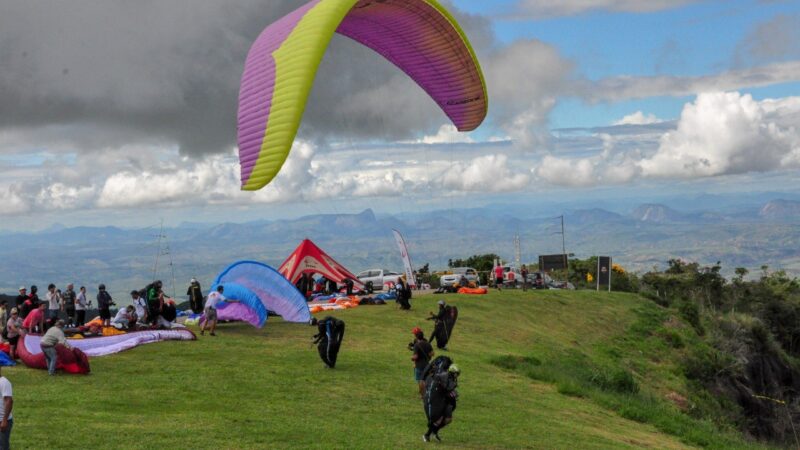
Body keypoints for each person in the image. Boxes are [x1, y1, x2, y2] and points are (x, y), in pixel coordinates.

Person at [423, 362, 460, 442]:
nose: (457, 376)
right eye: (456, 374)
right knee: (439, 419)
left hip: (446, 401)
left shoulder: (450, 378)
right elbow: (446, 389)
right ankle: (427, 435)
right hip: (439, 401)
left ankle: (435, 432)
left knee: (448, 419)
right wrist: (453, 393)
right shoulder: (444, 377)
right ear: (452, 372)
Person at [409, 327, 434, 399]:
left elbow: (415, 356)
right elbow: (432, 353)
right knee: (425, 379)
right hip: (427, 364)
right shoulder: (427, 343)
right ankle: (426, 391)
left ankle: (422, 395)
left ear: (416, 336)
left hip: (419, 365)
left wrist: (412, 358)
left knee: (420, 380)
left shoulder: (417, 345)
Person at [0, 364, 13, 449]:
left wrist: (4, 420)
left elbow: (9, 401)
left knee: (2, 446)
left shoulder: (4, 382)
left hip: (2, 420)